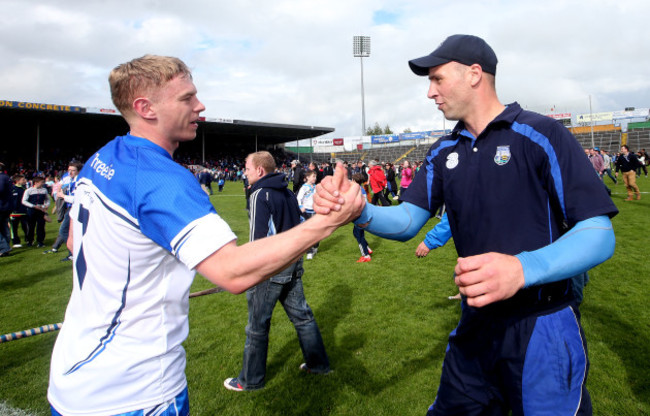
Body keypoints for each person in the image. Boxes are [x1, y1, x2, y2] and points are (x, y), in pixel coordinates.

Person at [314, 34, 617, 415]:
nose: (430, 92)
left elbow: (599, 234)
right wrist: (360, 210)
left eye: (437, 79)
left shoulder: (540, 134)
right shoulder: (444, 150)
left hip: (543, 325)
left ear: (475, 74)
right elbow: (408, 220)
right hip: (475, 325)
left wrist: (523, 268)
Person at [47, 55, 363, 416]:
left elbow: (74, 242)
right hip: (132, 390)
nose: (200, 106)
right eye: (186, 98)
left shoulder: (103, 156)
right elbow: (232, 272)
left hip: (72, 376)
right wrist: (328, 222)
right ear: (145, 107)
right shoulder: (162, 179)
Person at [224, 151, 330, 392]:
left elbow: (257, 240)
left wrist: (249, 271)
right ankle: (319, 365)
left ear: (260, 170)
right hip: (293, 263)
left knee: (256, 327)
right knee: (303, 317)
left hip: (271, 270)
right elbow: (301, 227)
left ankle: (250, 380)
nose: (245, 172)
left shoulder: (259, 194)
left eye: (247, 168)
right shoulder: (288, 190)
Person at [44, 162, 81, 260]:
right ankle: (64, 250)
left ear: (78, 171)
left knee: (64, 230)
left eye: (73, 170)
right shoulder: (70, 179)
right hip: (69, 207)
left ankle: (73, 253)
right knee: (66, 230)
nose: (70, 172)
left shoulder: (79, 182)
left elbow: (76, 199)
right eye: (69, 170)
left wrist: (62, 196)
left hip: (74, 207)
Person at [296, 170, 319, 259]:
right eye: (313, 176)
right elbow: (298, 199)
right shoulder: (304, 188)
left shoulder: (316, 187)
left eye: (315, 177)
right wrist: (301, 206)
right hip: (307, 213)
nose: (315, 178)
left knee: (317, 232)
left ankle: (315, 246)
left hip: (316, 211)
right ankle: (309, 251)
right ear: (307, 177)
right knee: (308, 232)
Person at [21, 176, 50, 248]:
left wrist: (46, 205)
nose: (43, 183)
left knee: (41, 225)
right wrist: (33, 206)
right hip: (32, 210)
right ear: (36, 183)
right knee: (31, 226)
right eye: (41, 182)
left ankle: (40, 241)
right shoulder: (29, 190)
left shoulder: (44, 190)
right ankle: (30, 241)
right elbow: (24, 201)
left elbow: (47, 199)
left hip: (41, 210)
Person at [352, 173, 372, 263]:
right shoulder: (361, 189)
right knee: (355, 233)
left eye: (352, 180)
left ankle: (366, 255)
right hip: (362, 215)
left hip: (359, 216)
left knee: (359, 236)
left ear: (355, 181)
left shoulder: (357, 191)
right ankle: (367, 247)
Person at [10, 174, 29, 248]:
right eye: (23, 180)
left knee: (26, 226)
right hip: (14, 213)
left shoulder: (24, 189)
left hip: (24, 211)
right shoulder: (12, 189)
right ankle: (16, 242)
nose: (25, 181)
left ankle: (28, 239)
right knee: (14, 228)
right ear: (17, 181)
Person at [0, 162, 12, 257]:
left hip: (1, 206)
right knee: (4, 226)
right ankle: (6, 246)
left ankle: (4, 247)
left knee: (3, 226)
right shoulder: (6, 177)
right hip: (6, 206)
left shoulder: (1, 177)